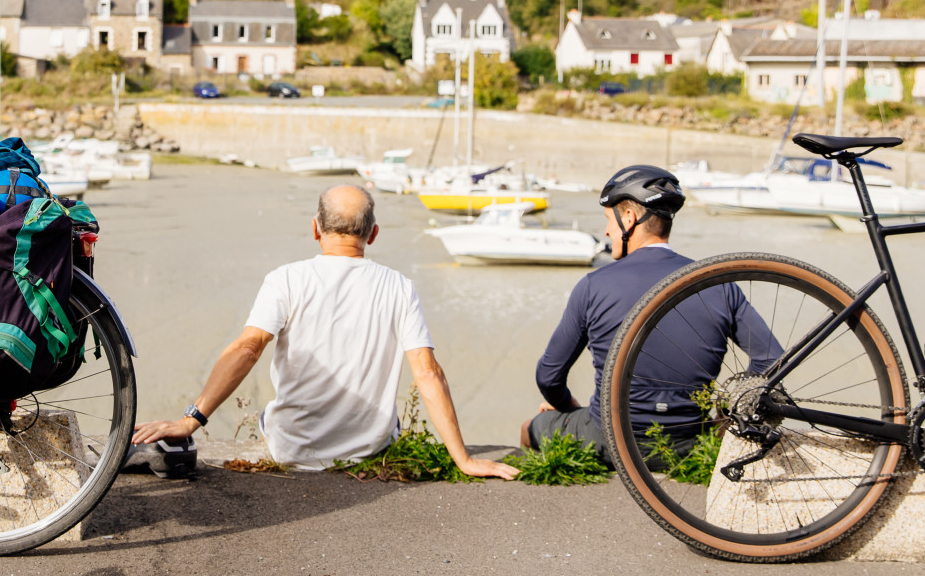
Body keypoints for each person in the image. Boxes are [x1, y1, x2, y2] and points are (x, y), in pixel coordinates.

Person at [133, 183, 516, 478]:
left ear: (315, 229)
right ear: (374, 233)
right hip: (370, 451)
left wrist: (191, 420)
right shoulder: (398, 286)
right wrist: (463, 460)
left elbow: (248, 348)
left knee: (269, 413)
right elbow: (427, 373)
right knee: (393, 420)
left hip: (292, 451)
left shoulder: (285, 279)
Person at [521, 164, 780, 457]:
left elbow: (549, 376)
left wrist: (569, 408)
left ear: (629, 218)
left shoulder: (594, 284)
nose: (607, 231)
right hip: (690, 441)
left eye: (608, 219)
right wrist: (728, 412)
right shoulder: (718, 285)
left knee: (532, 427)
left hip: (608, 437)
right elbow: (771, 358)